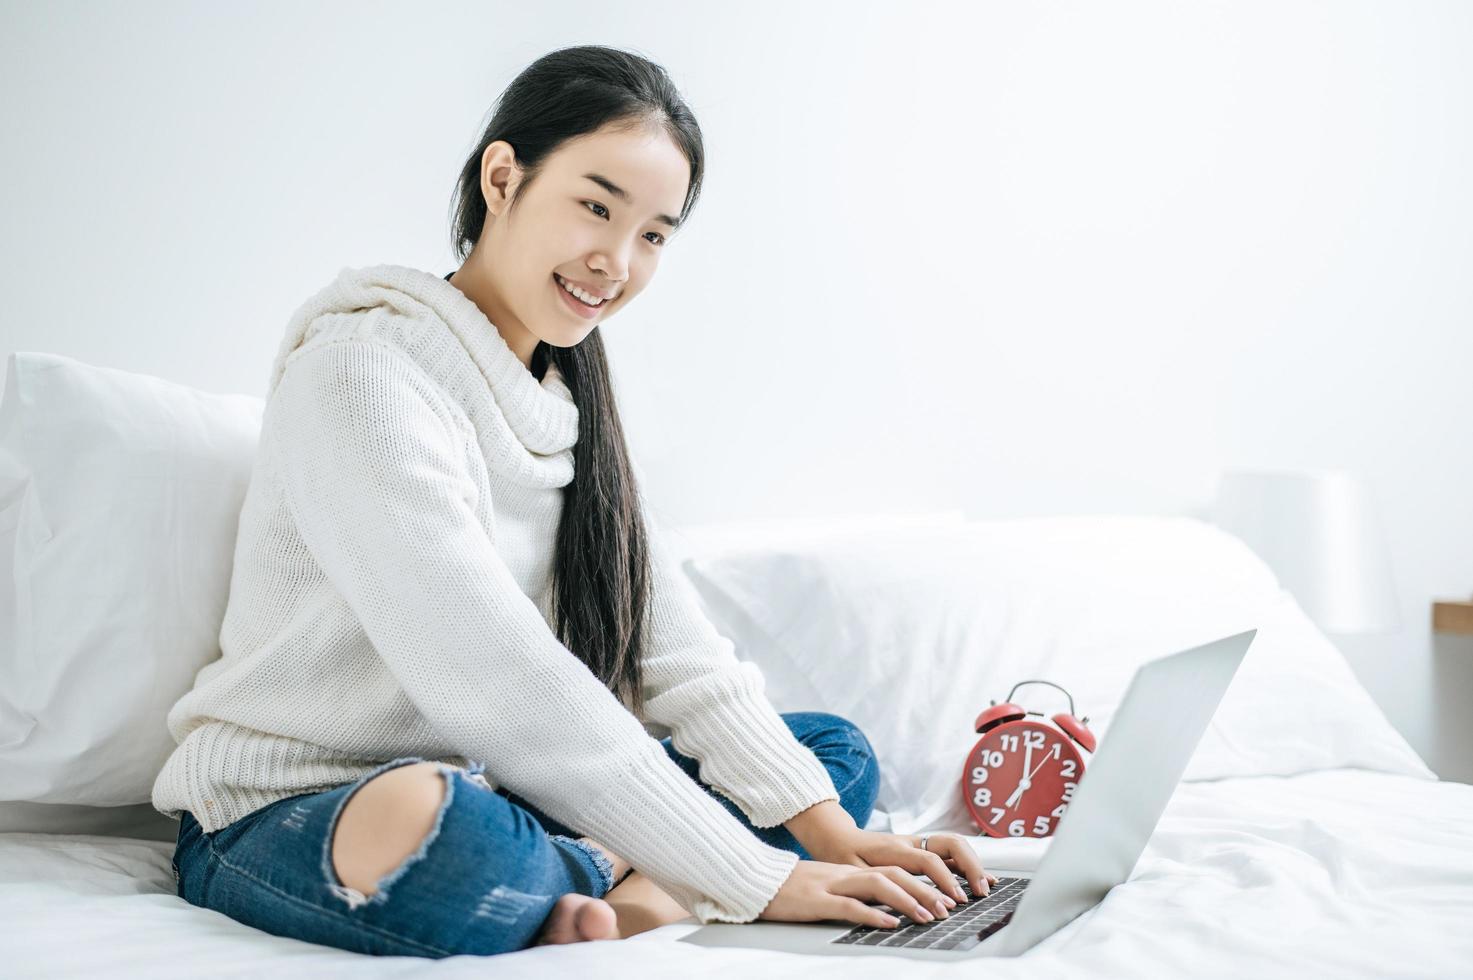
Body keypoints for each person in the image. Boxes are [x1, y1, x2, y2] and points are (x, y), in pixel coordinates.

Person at [153, 43, 996, 959]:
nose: (617, 260)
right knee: (442, 836)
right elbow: (494, 674)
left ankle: (602, 883)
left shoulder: (567, 405)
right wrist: (756, 874)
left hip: (512, 785)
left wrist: (840, 842)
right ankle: (634, 883)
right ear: (504, 177)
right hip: (296, 804)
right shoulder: (360, 373)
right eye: (595, 206)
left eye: (653, 234)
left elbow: (679, 658)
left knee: (831, 757)